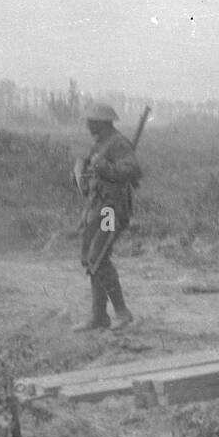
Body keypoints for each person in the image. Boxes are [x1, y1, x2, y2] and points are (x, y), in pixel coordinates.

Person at [73, 103, 140, 332]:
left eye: (91, 121)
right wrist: (81, 174)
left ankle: (122, 313)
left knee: (98, 257)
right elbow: (88, 174)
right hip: (96, 208)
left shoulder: (118, 143)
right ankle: (99, 316)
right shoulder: (99, 145)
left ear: (102, 123)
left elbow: (132, 171)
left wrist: (104, 168)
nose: (88, 125)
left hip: (112, 210)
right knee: (91, 260)